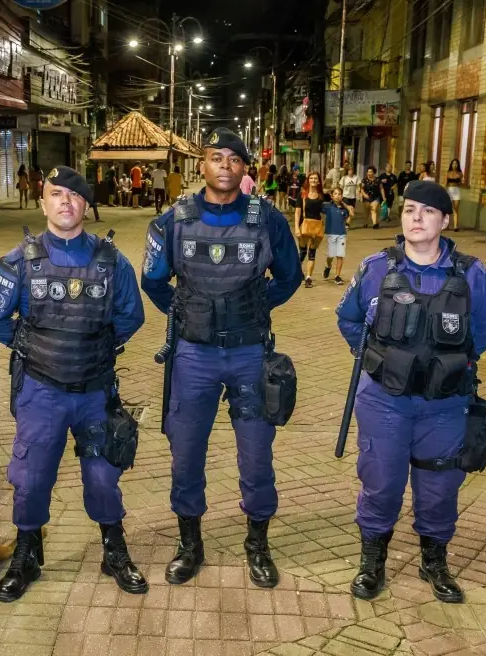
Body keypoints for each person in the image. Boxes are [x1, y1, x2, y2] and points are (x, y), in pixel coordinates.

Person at [141, 127, 303, 589]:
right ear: (202, 165)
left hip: (250, 353)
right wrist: (189, 311)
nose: (225, 166)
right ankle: (190, 544)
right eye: (216, 157)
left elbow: (289, 277)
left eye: (234, 159)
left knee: (256, 457)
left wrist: (253, 307)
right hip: (194, 356)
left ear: (245, 168)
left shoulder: (267, 219)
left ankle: (258, 544)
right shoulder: (174, 220)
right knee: (186, 454)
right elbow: (152, 280)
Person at [0, 165, 147, 602]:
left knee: (103, 478)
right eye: (56, 194)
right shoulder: (20, 262)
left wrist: (94, 348)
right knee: (32, 479)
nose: (66, 202)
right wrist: (36, 348)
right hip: (41, 392)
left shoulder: (112, 262)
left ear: (86, 205)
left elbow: (132, 317)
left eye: (74, 196)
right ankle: (27, 554)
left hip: (95, 392)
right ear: (43, 202)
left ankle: (113, 548)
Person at [336, 180, 486, 604]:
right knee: (381, 483)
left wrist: (442, 369)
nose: (416, 218)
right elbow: (349, 319)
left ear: (445, 221)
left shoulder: (471, 274)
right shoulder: (376, 268)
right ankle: (372, 562)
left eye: (427, 212)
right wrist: (379, 359)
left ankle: (435, 562)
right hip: (384, 402)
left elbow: (485, 330)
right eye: (410, 209)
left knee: (440, 487)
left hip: (445, 406)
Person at [295, 171, 326, 288]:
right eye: (311, 178)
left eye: (315, 178)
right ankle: (297, 272)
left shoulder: (322, 195)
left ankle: (308, 277)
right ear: (308, 180)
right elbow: (298, 213)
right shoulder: (303, 194)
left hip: (316, 227)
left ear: (318, 181)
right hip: (305, 225)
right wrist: (297, 228)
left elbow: (325, 211)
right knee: (302, 253)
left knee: (312, 253)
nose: (313, 180)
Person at [322, 186, 353, 285]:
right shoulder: (327, 206)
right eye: (335, 194)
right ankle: (328, 266)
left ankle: (337, 276)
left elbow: (350, 217)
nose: (337, 196)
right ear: (332, 196)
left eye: (339, 194)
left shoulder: (344, 209)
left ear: (342, 196)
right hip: (331, 233)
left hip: (342, 234)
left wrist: (347, 208)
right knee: (331, 255)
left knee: (340, 255)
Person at [446, 159, 463, 232]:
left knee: (456, 208)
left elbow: (461, 182)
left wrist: (461, 182)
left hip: (456, 190)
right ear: (451, 165)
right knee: (449, 208)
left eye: (456, 164)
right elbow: (445, 183)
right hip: (449, 190)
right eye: (453, 164)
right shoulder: (448, 173)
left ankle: (455, 226)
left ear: (458, 165)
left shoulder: (460, 173)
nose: (454, 165)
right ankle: (447, 225)